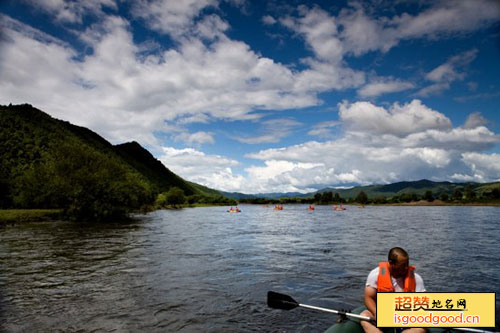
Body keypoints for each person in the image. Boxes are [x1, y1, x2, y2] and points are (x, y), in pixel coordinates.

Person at [360, 247, 426, 333]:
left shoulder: (416, 279)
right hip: (383, 314)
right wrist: (376, 313)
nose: (406, 268)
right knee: (364, 315)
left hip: (406, 316)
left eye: (407, 264)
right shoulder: (375, 275)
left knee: (423, 327)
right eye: (402, 265)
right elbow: (368, 297)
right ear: (391, 263)